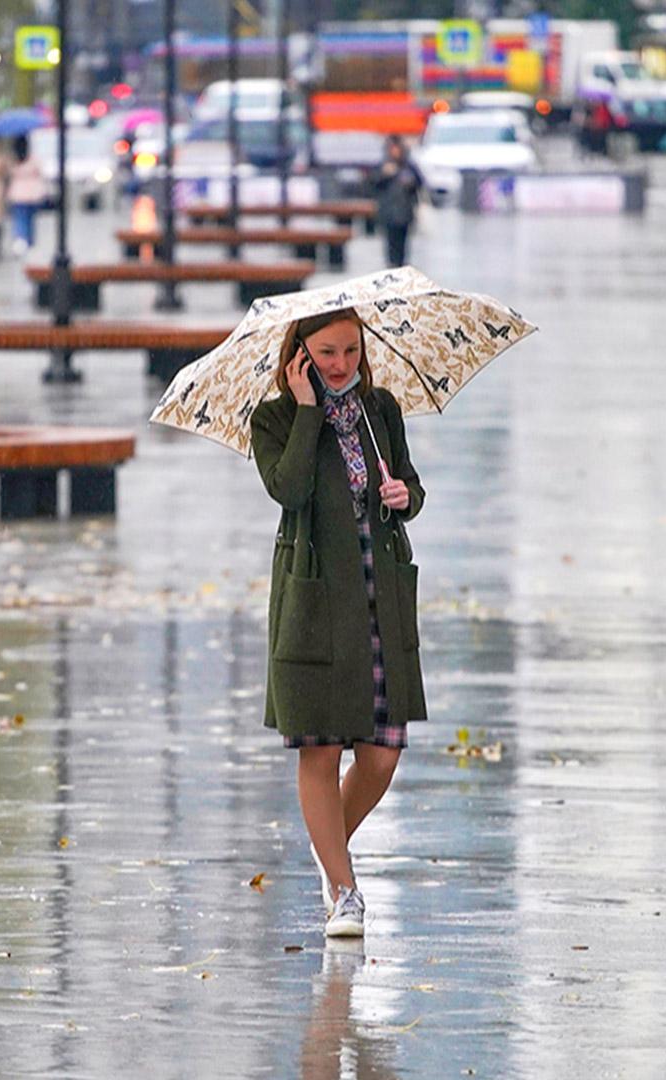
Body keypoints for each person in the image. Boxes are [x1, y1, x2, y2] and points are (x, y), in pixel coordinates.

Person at [248, 307, 428, 939]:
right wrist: (305, 409)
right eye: (326, 352)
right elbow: (290, 489)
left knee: (381, 756)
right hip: (315, 599)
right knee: (320, 749)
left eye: (351, 351)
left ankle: (331, 856)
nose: (341, 365)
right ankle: (344, 890)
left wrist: (405, 495)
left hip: (379, 595)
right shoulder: (272, 419)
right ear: (299, 354)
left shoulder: (380, 411)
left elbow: (410, 484)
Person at [373, 136, 424, 269]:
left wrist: (410, 183)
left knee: (403, 244)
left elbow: (420, 183)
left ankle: (401, 265)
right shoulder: (383, 166)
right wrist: (384, 175)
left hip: (404, 213)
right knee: (390, 243)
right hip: (388, 213)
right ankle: (392, 265)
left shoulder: (409, 166)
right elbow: (372, 185)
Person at [6, 135, 47, 255]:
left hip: (17, 193)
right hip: (33, 193)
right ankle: (29, 241)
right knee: (30, 219)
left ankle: (20, 239)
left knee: (20, 218)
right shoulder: (33, 159)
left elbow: (9, 173)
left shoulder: (12, 160)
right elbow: (40, 171)